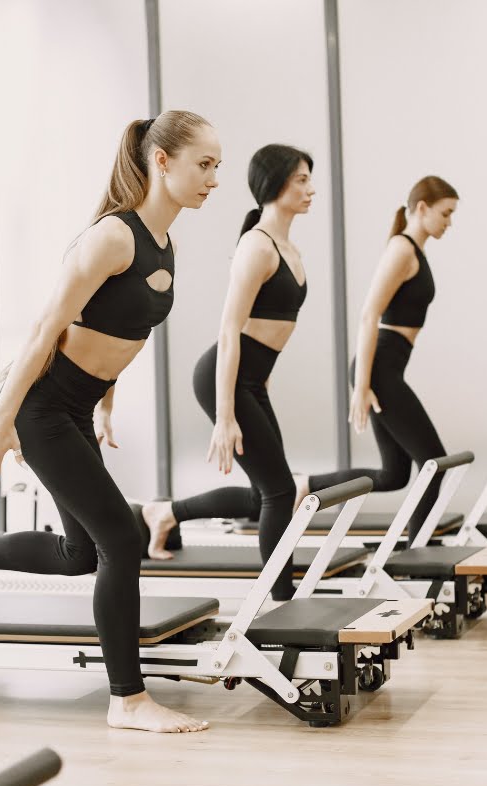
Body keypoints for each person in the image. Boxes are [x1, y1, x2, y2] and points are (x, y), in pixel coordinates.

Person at [0, 111, 220, 733]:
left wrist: (106, 398)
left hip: (76, 404)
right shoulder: (112, 237)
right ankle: (127, 700)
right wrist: (2, 420)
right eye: (204, 163)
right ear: (161, 161)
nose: (213, 178)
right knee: (122, 539)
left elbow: (119, 326)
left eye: (217, 165)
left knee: (80, 553)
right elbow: (44, 329)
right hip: (40, 405)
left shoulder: (165, 241)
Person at [142, 144, 314, 603]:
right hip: (225, 377)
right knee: (281, 490)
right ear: (274, 184)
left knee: (267, 495)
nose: (309, 189)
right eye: (300, 179)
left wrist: (261, 388)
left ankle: (167, 513)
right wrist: (225, 415)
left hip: (252, 381)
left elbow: (267, 335)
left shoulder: (287, 246)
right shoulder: (257, 246)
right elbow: (230, 330)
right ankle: (280, 604)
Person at [296, 176, 458, 538]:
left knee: (395, 475)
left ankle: (305, 486)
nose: (449, 222)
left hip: (387, 368)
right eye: (446, 213)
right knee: (436, 464)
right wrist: (363, 385)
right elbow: (370, 314)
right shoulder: (402, 249)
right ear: (422, 208)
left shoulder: (414, 249)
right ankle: (419, 555)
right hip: (380, 369)